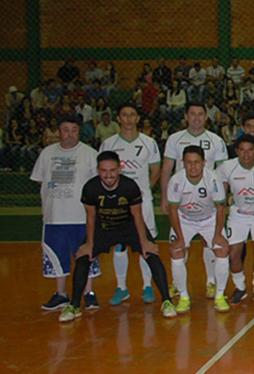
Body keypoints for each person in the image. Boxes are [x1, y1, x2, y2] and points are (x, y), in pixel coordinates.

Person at [61, 152, 176, 322]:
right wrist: (90, 244)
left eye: (112, 170)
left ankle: (167, 301)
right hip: (104, 228)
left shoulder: (129, 187)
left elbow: (137, 215)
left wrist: (144, 241)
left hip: (129, 227)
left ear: (120, 169)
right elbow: (91, 217)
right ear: (98, 170)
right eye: (104, 171)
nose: (108, 175)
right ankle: (75, 305)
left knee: (152, 254)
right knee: (83, 257)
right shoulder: (90, 188)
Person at [31, 116, 100, 311]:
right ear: (59, 131)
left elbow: (98, 182)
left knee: (86, 254)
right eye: (65, 129)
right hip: (54, 217)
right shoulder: (47, 153)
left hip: (81, 216)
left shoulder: (89, 154)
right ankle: (61, 294)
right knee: (56, 255)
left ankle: (89, 293)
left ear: (79, 132)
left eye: (74, 130)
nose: (70, 134)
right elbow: (39, 179)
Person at [161, 102, 229, 300]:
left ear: (206, 117)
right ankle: (178, 284)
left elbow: (222, 172)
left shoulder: (215, 140)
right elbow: (167, 168)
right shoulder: (175, 139)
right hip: (181, 198)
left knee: (211, 243)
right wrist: (164, 196)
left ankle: (211, 281)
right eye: (192, 114)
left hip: (208, 200)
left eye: (200, 114)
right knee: (180, 243)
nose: (197, 118)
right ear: (186, 116)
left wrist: (221, 198)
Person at [99, 103, 162, 305]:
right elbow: (101, 173)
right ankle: (122, 287)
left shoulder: (149, 143)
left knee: (146, 244)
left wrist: (142, 192)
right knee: (119, 245)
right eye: (124, 115)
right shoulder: (108, 144)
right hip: (117, 204)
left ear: (137, 118)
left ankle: (147, 286)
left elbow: (155, 171)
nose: (128, 119)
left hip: (142, 203)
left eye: (132, 115)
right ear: (118, 118)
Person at [166, 146, 230, 314]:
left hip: (209, 219)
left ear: (204, 163)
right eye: (188, 163)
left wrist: (217, 235)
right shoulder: (176, 181)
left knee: (222, 249)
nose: (193, 167)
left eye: (196, 162)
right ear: (183, 163)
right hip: (184, 219)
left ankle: (219, 296)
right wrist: (180, 238)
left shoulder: (213, 179)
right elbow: (172, 210)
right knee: (176, 251)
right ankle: (184, 297)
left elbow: (221, 207)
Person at [218, 134, 254, 305]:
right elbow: (219, 188)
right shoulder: (226, 167)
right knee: (234, 253)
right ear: (236, 151)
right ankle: (240, 288)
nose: (246, 154)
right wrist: (224, 197)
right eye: (242, 150)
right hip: (238, 214)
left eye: (250, 150)